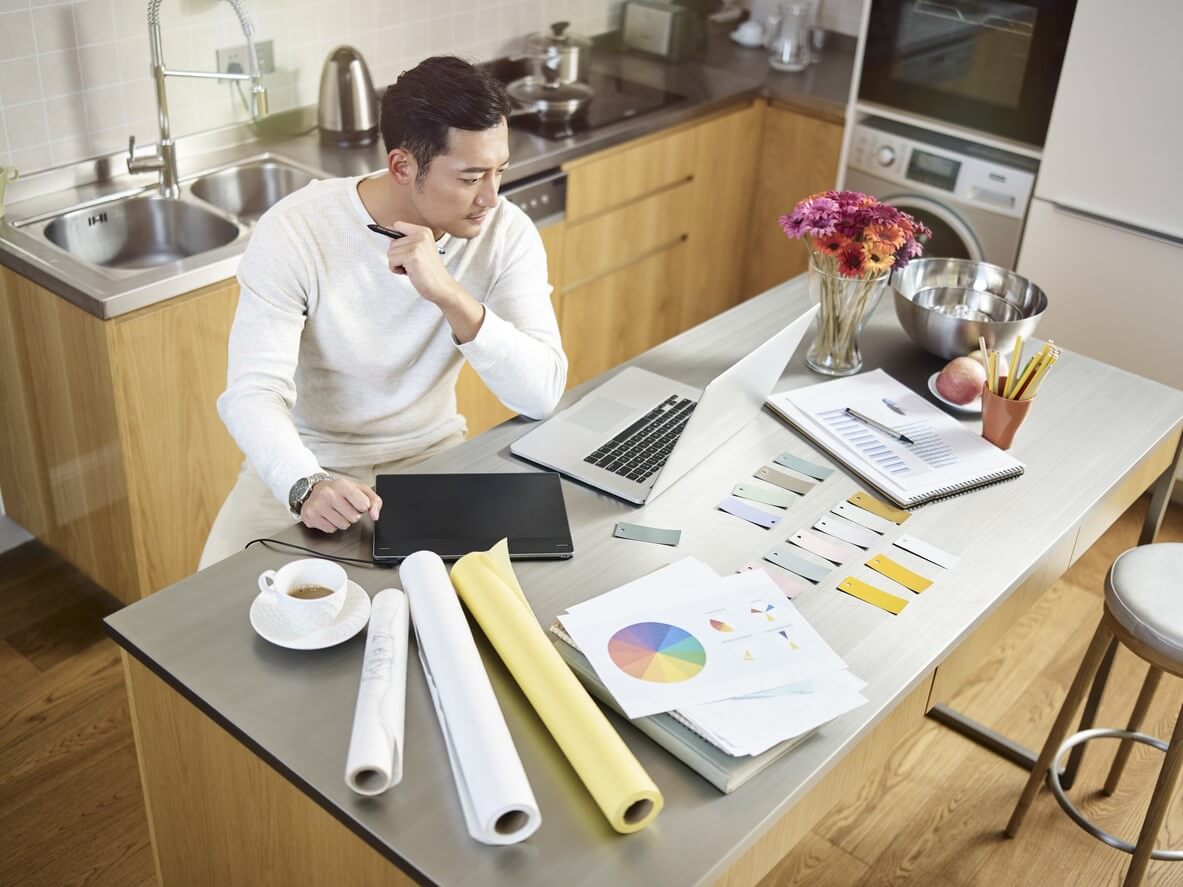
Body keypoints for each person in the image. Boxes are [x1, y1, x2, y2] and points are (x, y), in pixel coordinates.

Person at [199, 56, 567, 568]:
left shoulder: (506, 233)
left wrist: (448, 294)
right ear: (402, 166)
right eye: (470, 177)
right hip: (306, 462)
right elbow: (251, 393)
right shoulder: (296, 231)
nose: (491, 197)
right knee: (210, 608)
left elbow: (542, 392)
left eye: (499, 171)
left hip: (431, 459)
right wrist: (305, 483)